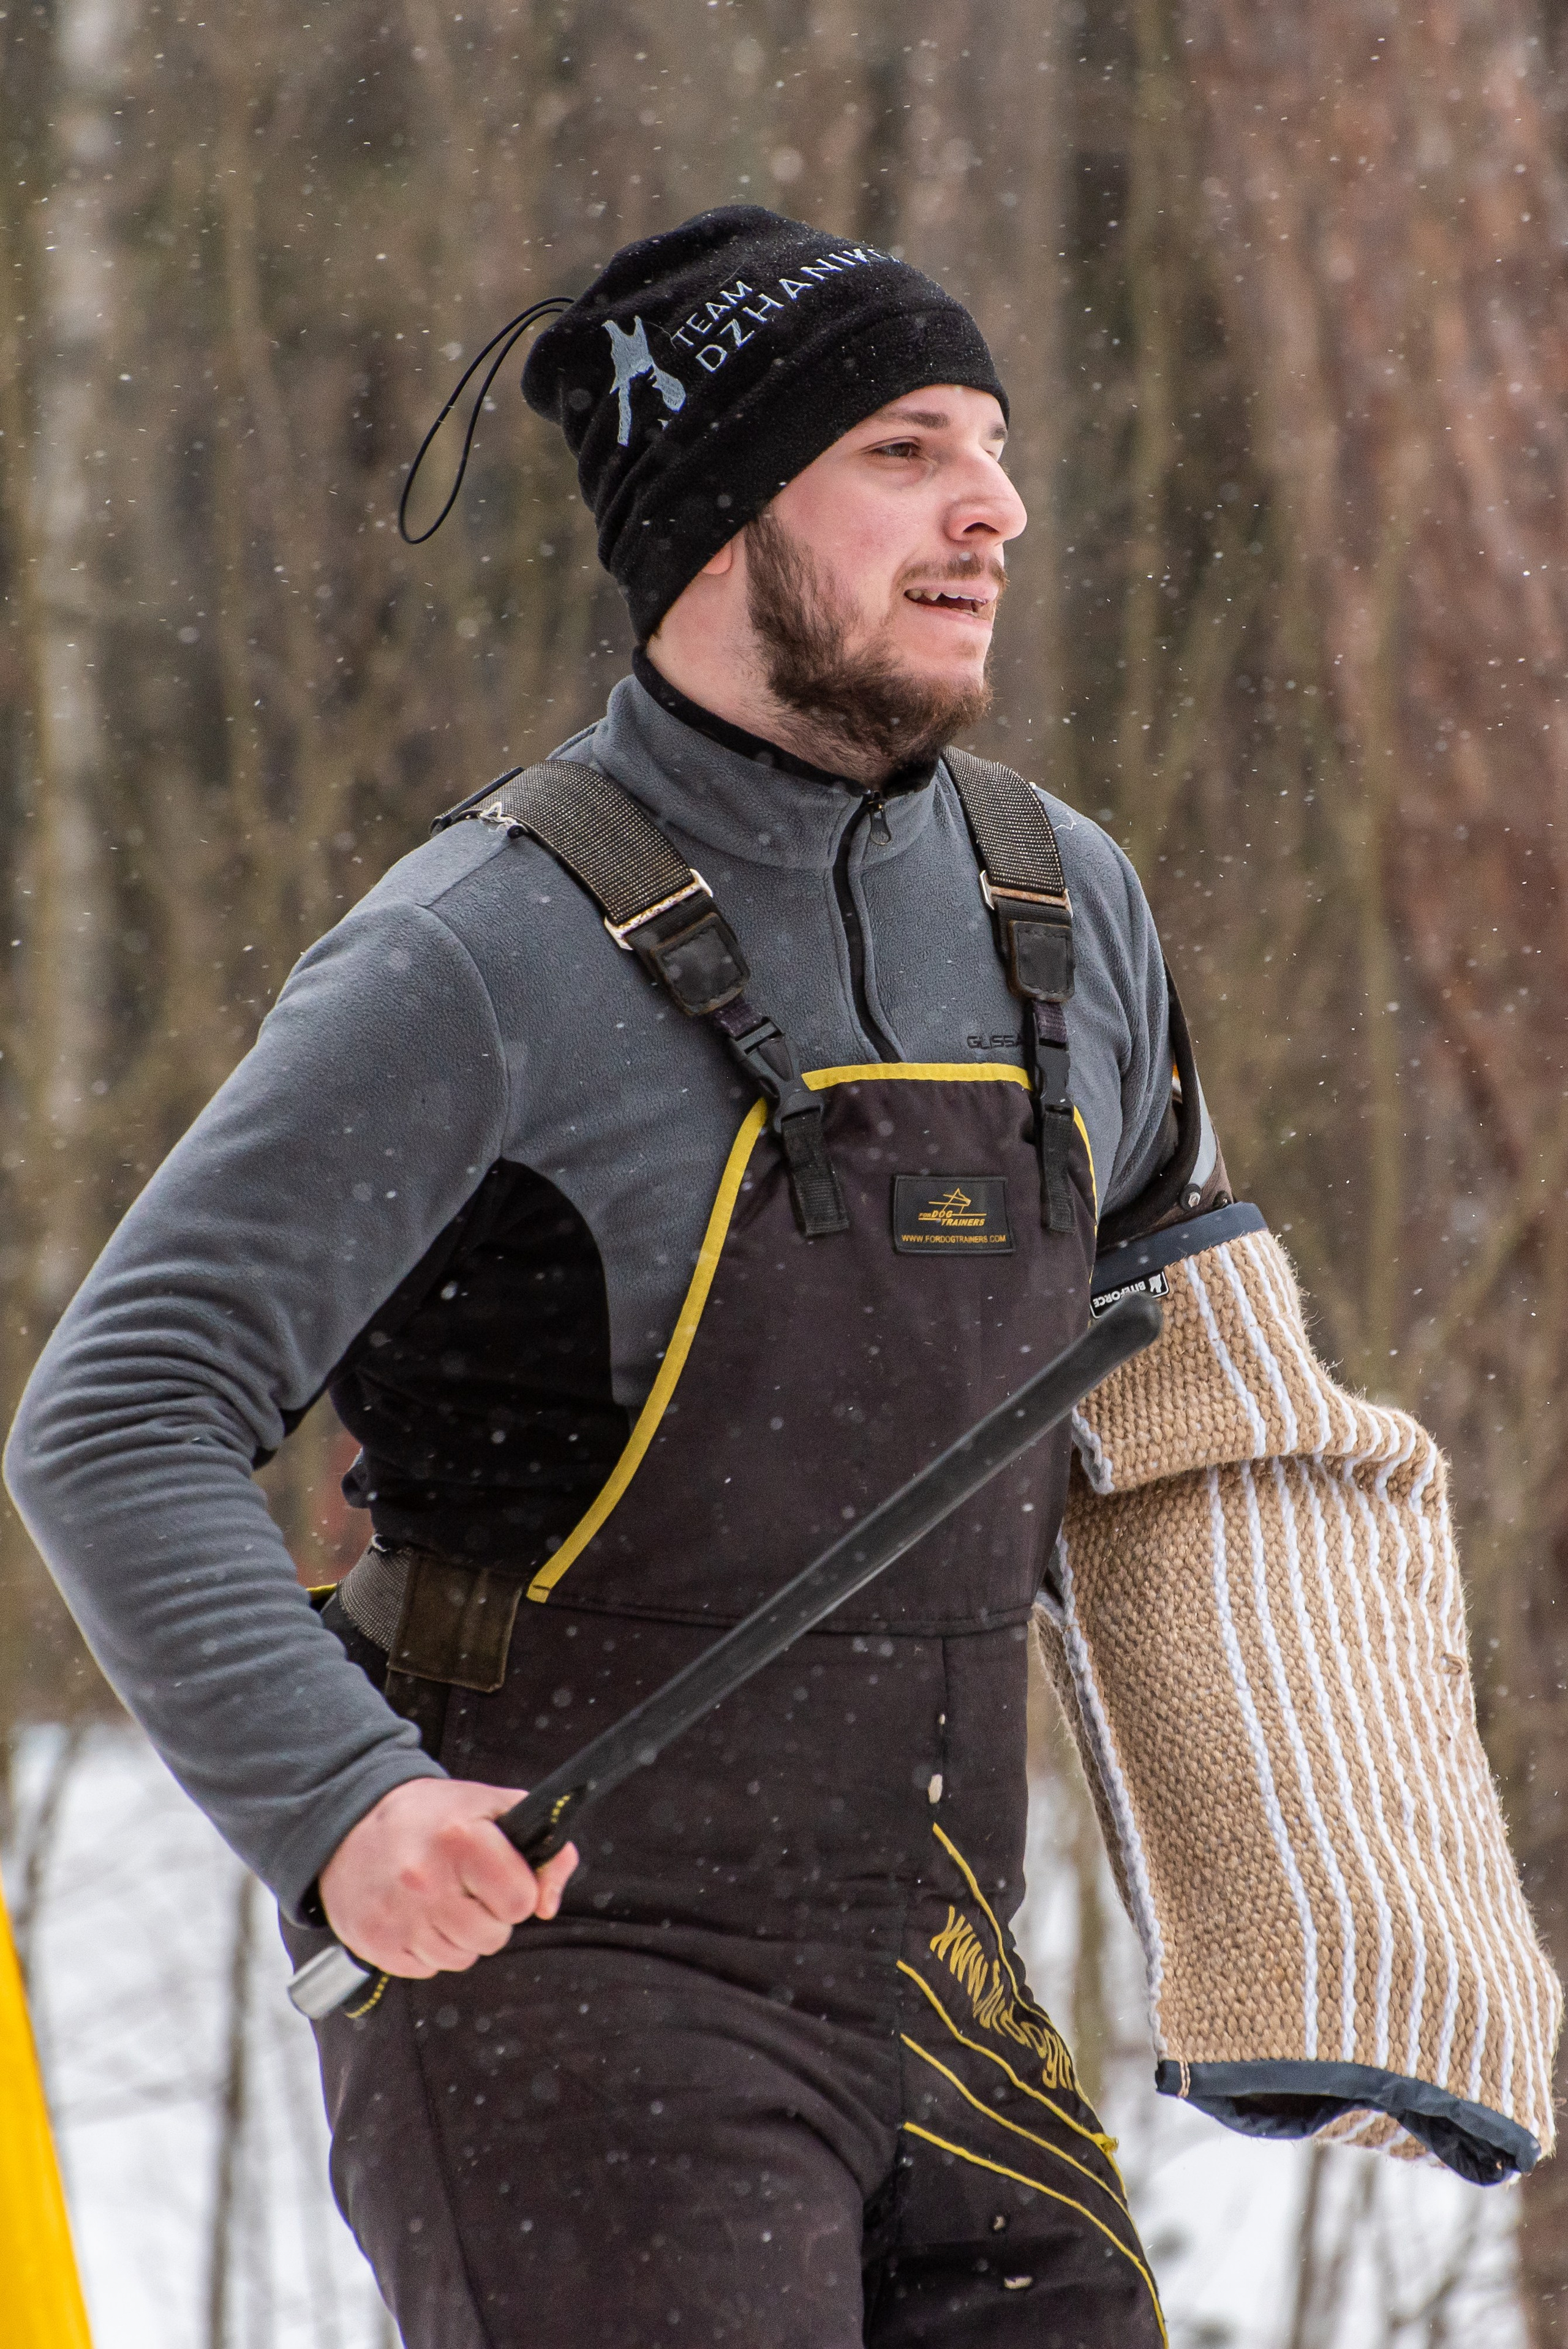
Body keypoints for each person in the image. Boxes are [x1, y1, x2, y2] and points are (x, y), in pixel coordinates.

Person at [7, 205, 1251, 2347]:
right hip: (573, 1975)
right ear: (718, 517)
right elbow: (120, 1411)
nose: (994, 508)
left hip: (952, 1972)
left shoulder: (1066, 905)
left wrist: (1345, 1883)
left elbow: (1222, 1389)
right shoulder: (478, 954)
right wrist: (341, 1800)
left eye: (994, 446)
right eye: (904, 450)